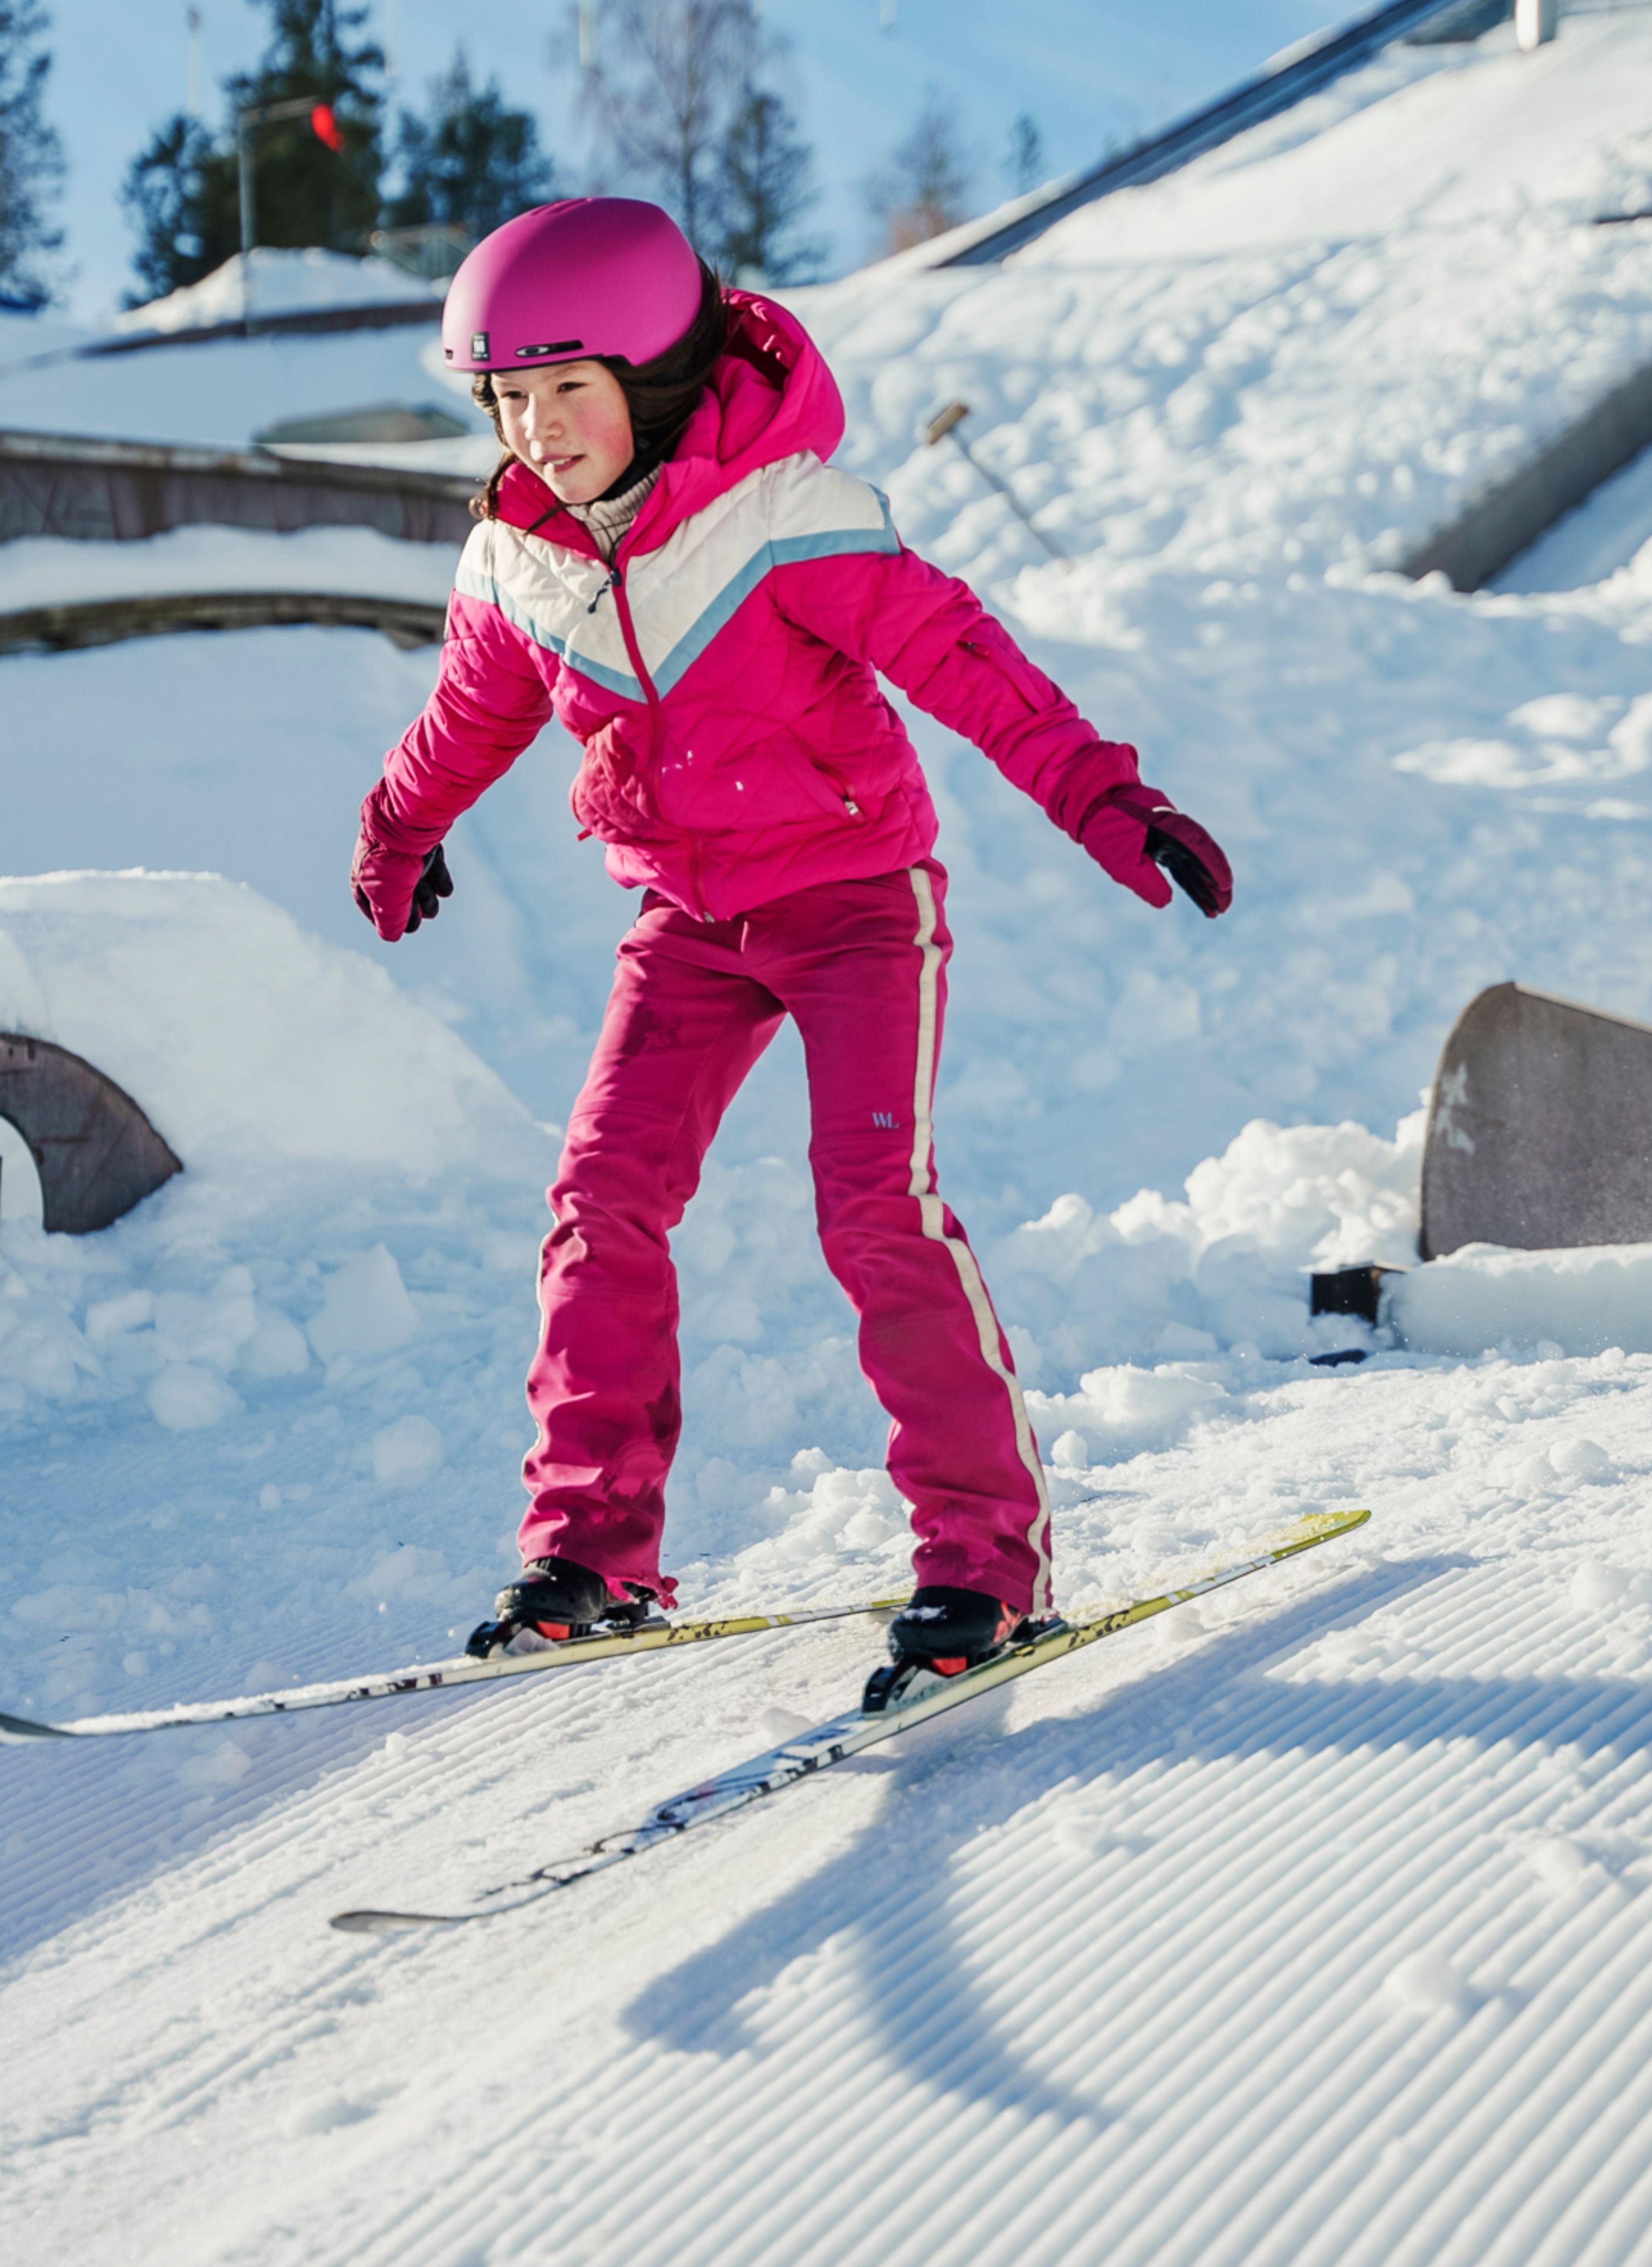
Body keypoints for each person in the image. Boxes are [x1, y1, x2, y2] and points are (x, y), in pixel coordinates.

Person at [350, 197, 1233, 1680]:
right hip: (688, 920)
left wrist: (1103, 797)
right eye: (507, 396)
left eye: (568, 389)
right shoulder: (522, 562)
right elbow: (468, 717)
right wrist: (398, 830)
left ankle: (984, 1568)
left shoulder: (781, 516)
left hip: (853, 902)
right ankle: (590, 1552)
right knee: (601, 1199)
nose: (536, 426)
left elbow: (961, 658)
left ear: (652, 377)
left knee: (873, 1210)